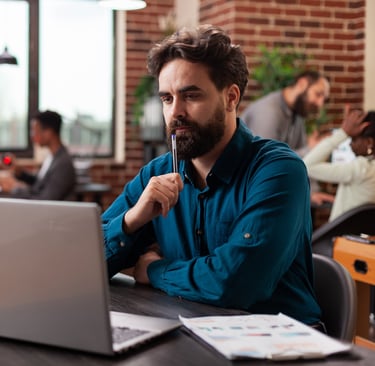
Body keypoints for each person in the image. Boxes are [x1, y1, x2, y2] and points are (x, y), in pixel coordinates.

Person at [102, 25, 322, 326]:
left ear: (231, 97)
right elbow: (83, 264)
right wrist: (131, 222)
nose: (175, 112)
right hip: (192, 332)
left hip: (282, 347)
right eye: (167, 99)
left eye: (190, 96)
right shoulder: (157, 173)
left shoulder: (278, 170)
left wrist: (154, 270)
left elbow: (237, 283)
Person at [241, 70, 335, 206]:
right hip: (252, 197)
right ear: (302, 84)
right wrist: (311, 149)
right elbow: (267, 162)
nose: (320, 103)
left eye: (324, 99)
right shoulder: (269, 112)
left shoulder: (296, 114)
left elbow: (303, 161)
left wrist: (312, 192)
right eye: (318, 94)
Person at [304, 106, 375, 222]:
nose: (350, 145)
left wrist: (343, 132)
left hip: (341, 238)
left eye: (353, 139)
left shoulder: (363, 168)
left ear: (369, 142)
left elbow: (308, 165)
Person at [0, 110, 76, 200]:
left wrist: (14, 188)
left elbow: (45, 199)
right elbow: (40, 183)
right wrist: (18, 171)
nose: (32, 136)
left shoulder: (63, 164)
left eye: (35, 131)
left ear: (49, 132)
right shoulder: (52, 156)